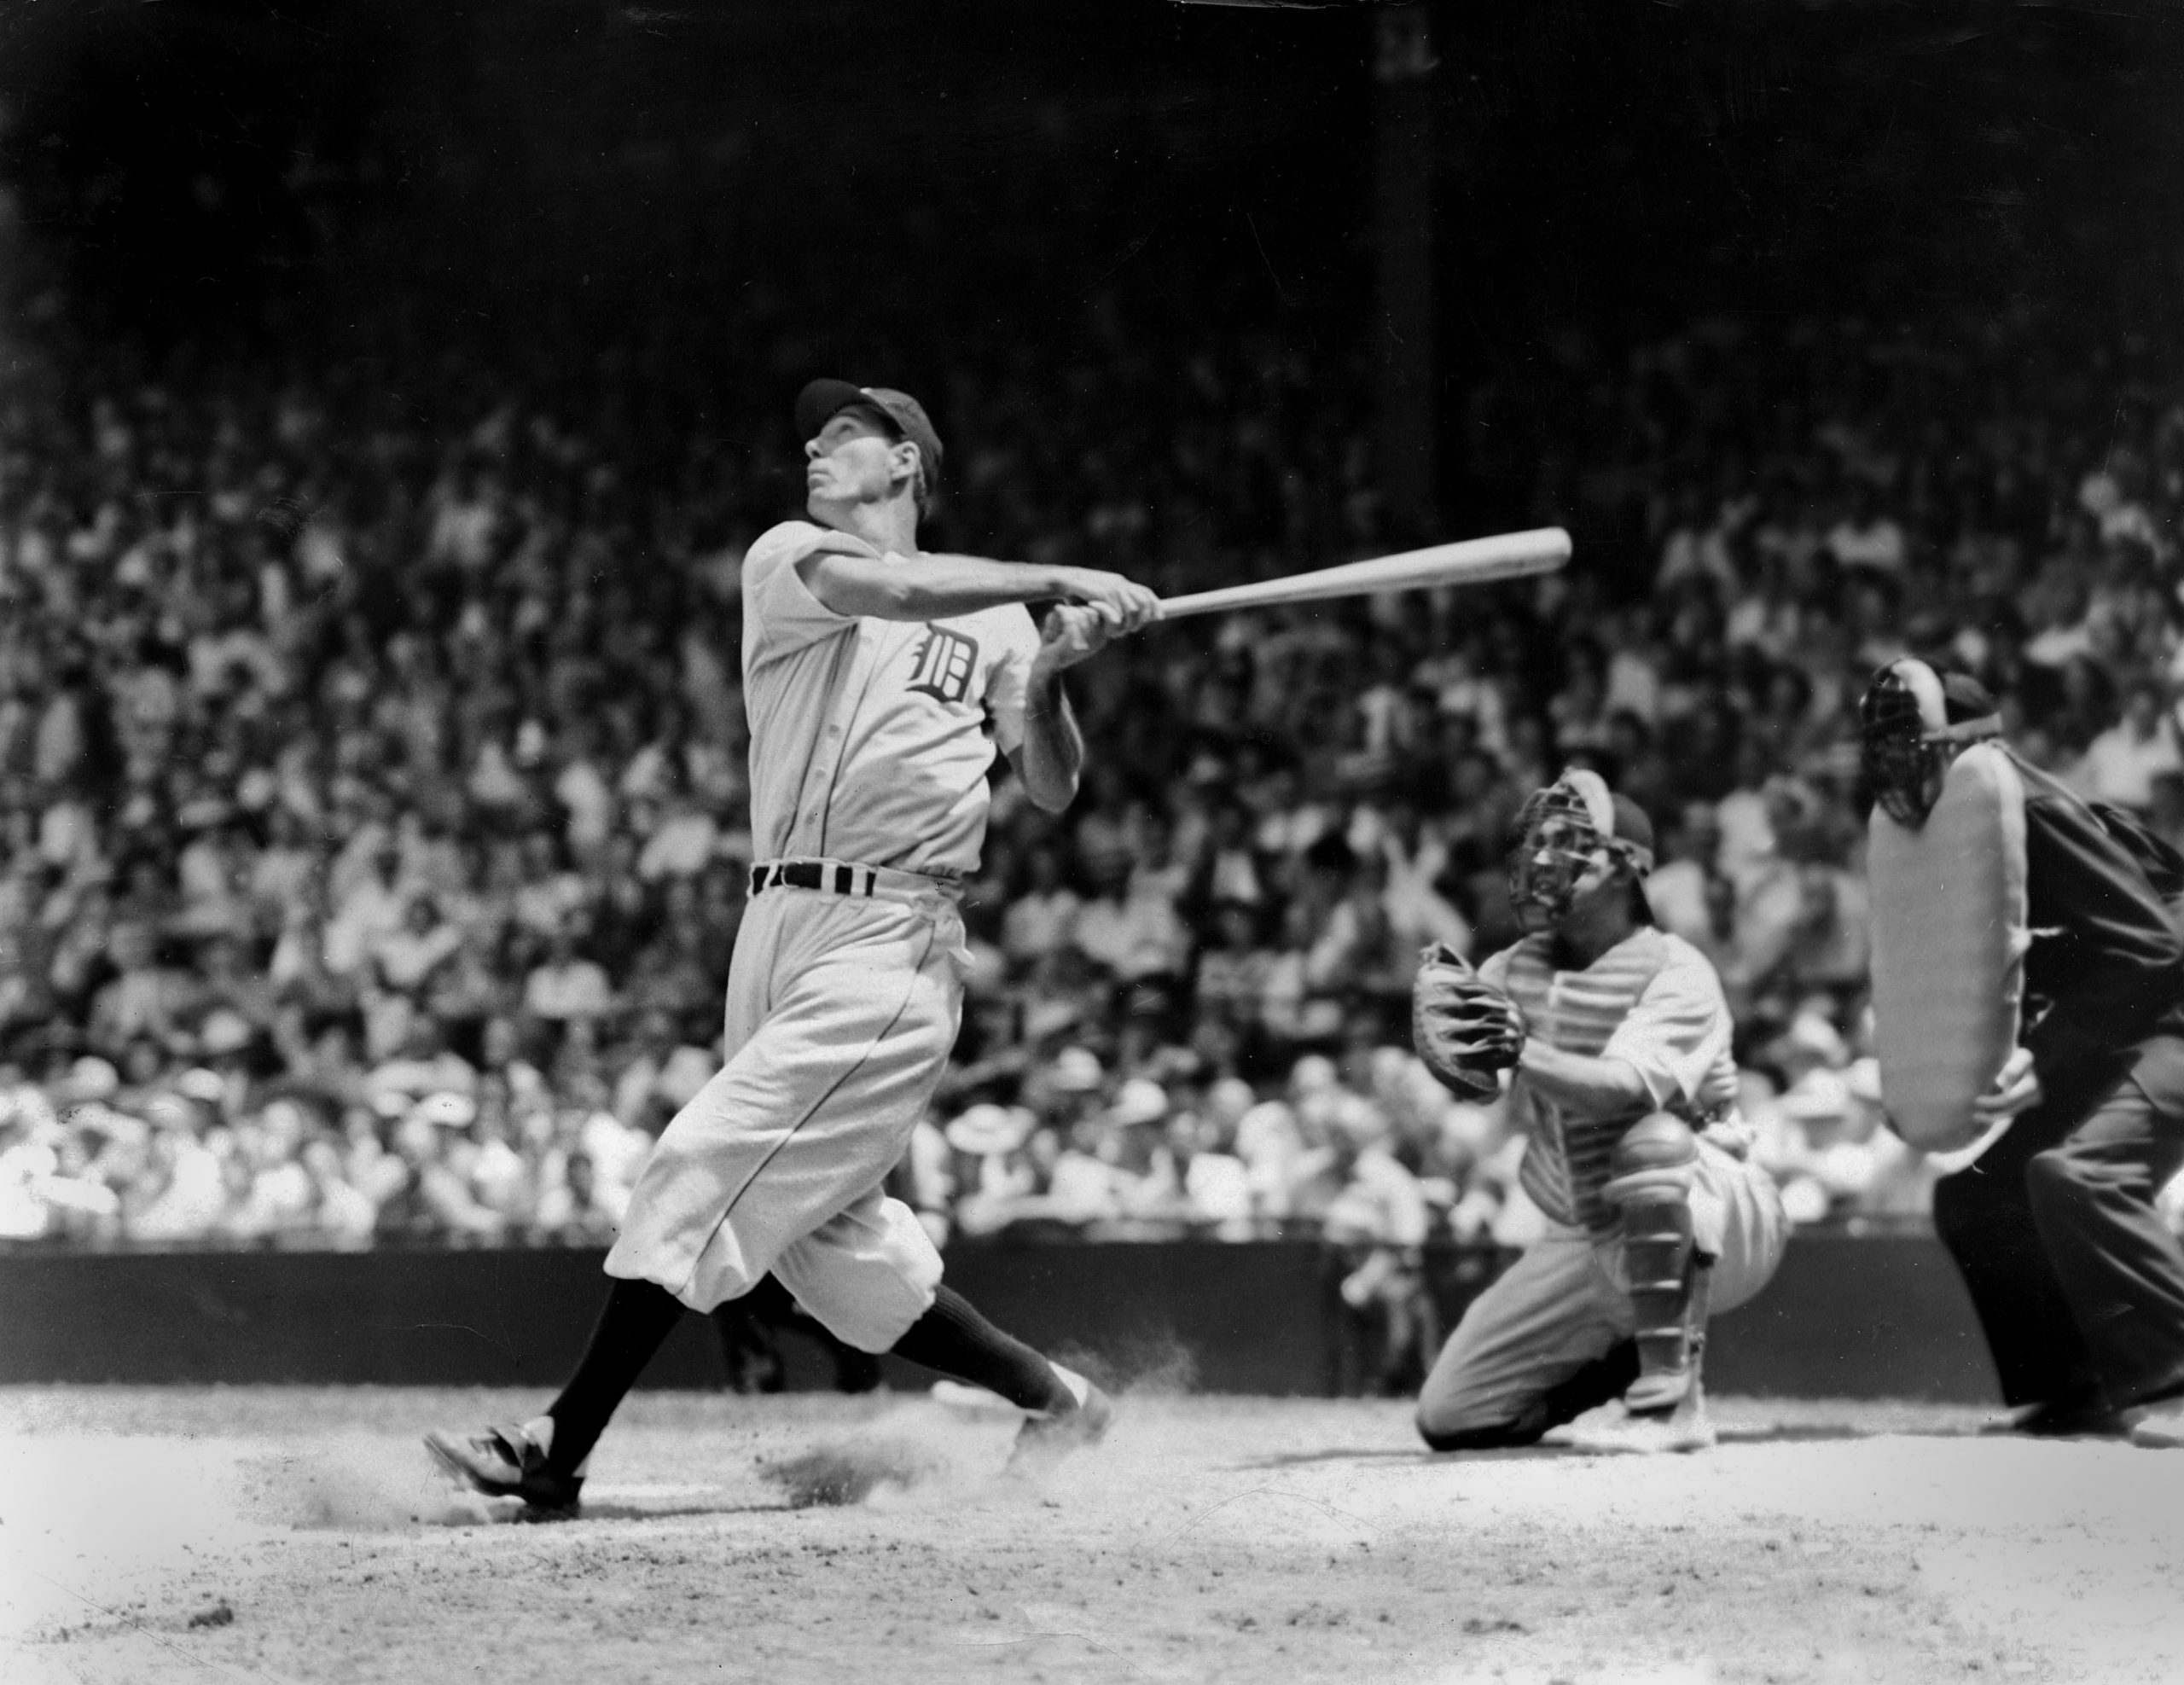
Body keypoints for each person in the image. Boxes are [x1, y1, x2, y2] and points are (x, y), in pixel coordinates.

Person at [427, 380, 1161, 1510]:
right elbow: (901, 587)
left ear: (908, 462)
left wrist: (1054, 673)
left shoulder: (1002, 623)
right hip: (773, 922)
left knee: (703, 1155)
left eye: (846, 434)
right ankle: (1058, 1400)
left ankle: (556, 1444)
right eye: (813, 436)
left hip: (893, 929)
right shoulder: (791, 557)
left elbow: (1054, 786)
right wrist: (1060, 576)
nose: (815, 447)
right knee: (830, 1250)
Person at [1410, 770, 1786, 1453]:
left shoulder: (1677, 967)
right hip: (1589, 1228)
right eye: (1538, 841)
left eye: (1568, 841)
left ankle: (1673, 1405)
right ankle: (1623, 1365)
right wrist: (1449, 1050)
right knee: (1452, 1415)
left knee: (1650, 1141)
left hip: (1716, 1209)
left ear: (1626, 867)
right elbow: (1481, 1085)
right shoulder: (1512, 965)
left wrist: (1521, 1049)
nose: (1541, 857)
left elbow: (1621, 1087)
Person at [1860, 658, 2184, 1443]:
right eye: (1886, 746)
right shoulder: (1941, 835)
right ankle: (2073, 1390)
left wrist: (2047, 1057)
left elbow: (2154, 947)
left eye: (1913, 743)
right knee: (1976, 1198)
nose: (1896, 763)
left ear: (1963, 745)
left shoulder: (2029, 807)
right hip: (2126, 1021)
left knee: (2079, 1175)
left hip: (2173, 1014)